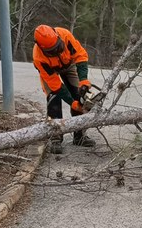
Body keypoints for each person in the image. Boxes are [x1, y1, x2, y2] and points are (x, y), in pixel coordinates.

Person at [32, 24, 96, 153]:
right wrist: (72, 103)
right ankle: (55, 138)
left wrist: (83, 79)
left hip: (68, 65)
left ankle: (79, 135)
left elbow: (81, 55)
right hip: (51, 72)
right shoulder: (39, 58)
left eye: (58, 47)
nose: (56, 51)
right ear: (42, 48)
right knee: (54, 99)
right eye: (52, 50)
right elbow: (56, 86)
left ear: (57, 36)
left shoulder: (65, 35)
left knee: (79, 94)